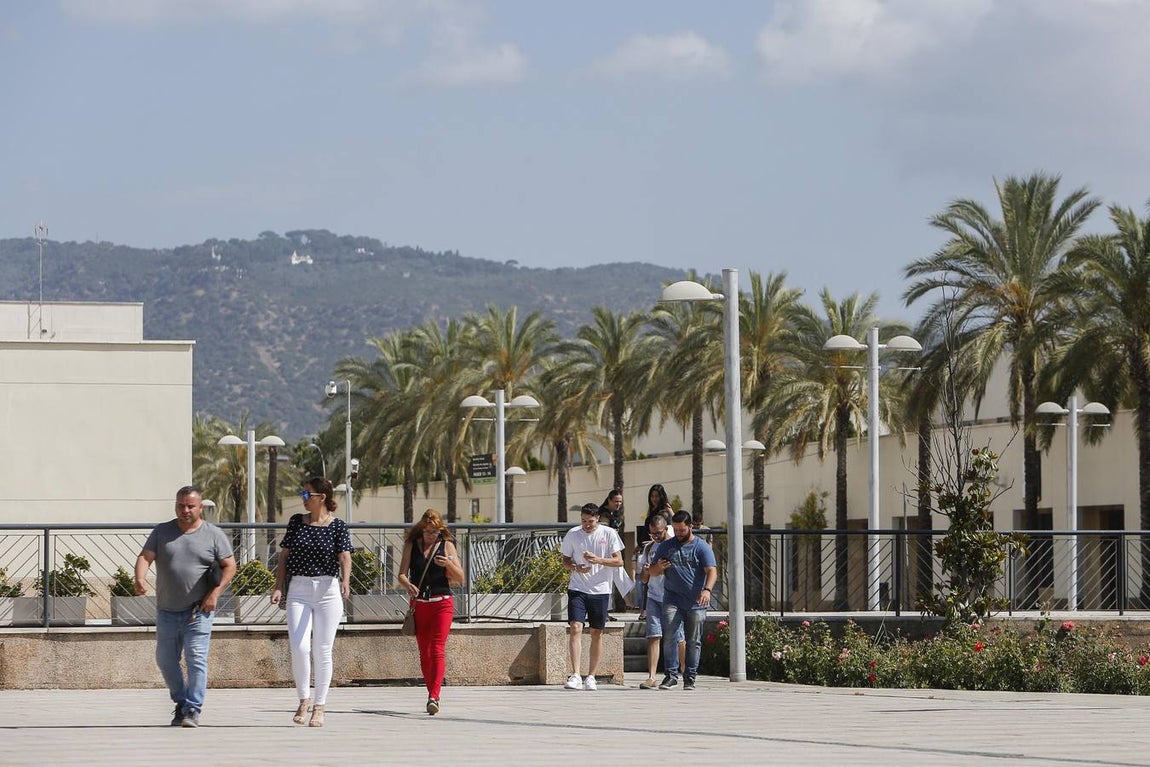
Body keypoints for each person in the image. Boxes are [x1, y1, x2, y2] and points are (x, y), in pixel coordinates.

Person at [134, 485, 236, 728]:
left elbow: (230, 566)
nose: (185, 510)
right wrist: (139, 577)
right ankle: (181, 700)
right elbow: (145, 557)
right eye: (181, 505)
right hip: (167, 609)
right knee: (165, 660)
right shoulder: (162, 532)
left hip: (199, 610)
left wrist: (215, 593)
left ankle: (192, 708)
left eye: (191, 506)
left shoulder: (213, 534)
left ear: (200, 508)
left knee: (196, 658)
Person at [271, 476, 352, 728]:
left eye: (307, 494)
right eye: (303, 494)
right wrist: (278, 586)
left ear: (322, 498)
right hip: (299, 588)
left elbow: (345, 556)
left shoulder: (338, 526)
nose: (303, 499)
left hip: (328, 589)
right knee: (299, 646)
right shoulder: (297, 522)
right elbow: (284, 556)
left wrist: (345, 581)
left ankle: (320, 705)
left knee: (322, 649)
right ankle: (303, 699)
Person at [398, 508, 465, 716]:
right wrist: (408, 584)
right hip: (419, 604)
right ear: (421, 529)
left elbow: (461, 578)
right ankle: (431, 691)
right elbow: (401, 574)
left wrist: (449, 564)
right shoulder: (412, 545)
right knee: (424, 653)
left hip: (442, 603)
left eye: (435, 532)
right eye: (428, 531)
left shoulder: (447, 546)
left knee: (437, 648)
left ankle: (434, 696)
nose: (431, 536)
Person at [649, 510, 717, 691]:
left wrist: (707, 590)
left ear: (690, 527)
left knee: (693, 640)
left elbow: (712, 571)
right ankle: (670, 676)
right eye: (676, 530)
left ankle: (690, 677)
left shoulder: (701, 547)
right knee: (670, 636)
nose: (678, 533)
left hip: (696, 602)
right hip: (672, 599)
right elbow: (653, 573)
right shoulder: (666, 546)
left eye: (682, 530)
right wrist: (658, 567)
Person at [560, 502, 624, 691]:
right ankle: (576, 674)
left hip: (600, 589)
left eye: (590, 521)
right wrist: (575, 567)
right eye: (583, 521)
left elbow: (619, 561)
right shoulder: (573, 534)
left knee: (597, 632)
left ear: (598, 519)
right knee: (575, 627)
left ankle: (592, 676)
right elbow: (565, 560)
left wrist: (598, 560)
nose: (587, 525)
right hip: (578, 587)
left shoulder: (609, 534)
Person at [635, 510, 685, 689]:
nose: (655, 536)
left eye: (658, 533)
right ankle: (651, 676)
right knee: (653, 636)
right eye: (652, 533)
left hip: (672, 597)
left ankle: (685, 672)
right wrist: (648, 572)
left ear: (666, 529)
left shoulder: (675, 545)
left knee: (677, 637)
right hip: (654, 597)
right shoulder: (648, 548)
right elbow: (643, 580)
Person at [633, 484, 672, 618]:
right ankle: (644, 609)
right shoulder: (652, 511)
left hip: (661, 548)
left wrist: (654, 540)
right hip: (649, 548)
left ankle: (645, 610)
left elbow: (671, 528)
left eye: (657, 496)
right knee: (646, 574)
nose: (654, 499)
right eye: (652, 496)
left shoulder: (664, 512)